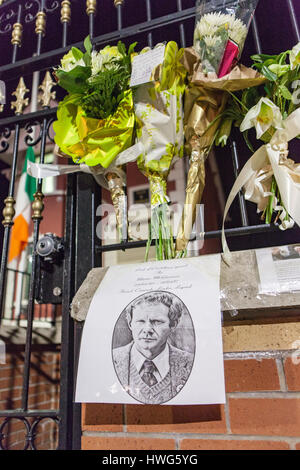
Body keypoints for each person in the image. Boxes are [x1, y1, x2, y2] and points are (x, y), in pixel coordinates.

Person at [112, 292, 194, 404]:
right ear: (130, 324)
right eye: (140, 321)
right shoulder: (112, 359)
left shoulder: (190, 363)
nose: (147, 329)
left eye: (157, 322)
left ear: (173, 324)